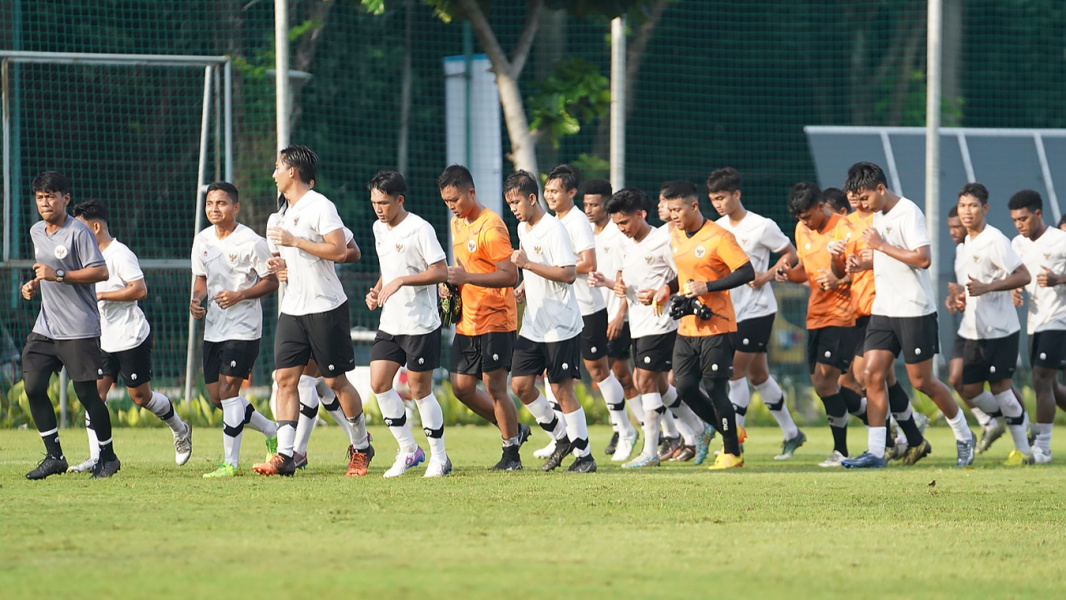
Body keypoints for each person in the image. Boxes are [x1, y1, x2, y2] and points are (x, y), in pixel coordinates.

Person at [840, 162, 975, 469]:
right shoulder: (878, 215)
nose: (861, 205)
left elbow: (923, 259)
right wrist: (865, 263)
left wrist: (881, 246)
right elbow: (888, 257)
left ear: (881, 189)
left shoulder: (908, 212)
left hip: (914, 310)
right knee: (871, 374)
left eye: (865, 198)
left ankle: (965, 436)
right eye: (857, 200)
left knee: (922, 381)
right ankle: (876, 453)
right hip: (884, 310)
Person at [254, 145, 373, 477]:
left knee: (335, 381)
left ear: (292, 171)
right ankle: (285, 455)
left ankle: (362, 447)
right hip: (293, 309)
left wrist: (296, 243)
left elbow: (344, 250)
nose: (273, 173)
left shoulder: (320, 206)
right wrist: (278, 264)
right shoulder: (278, 217)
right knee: (285, 380)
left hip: (326, 307)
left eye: (277, 166)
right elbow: (283, 262)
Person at [71, 199, 191, 472]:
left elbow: (139, 290)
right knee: (94, 396)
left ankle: (181, 429)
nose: (76, 236)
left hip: (130, 338)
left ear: (96, 227)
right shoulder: (84, 258)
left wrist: (102, 294)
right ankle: (98, 457)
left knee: (141, 397)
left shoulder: (120, 254)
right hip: (101, 339)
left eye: (81, 229)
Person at [20, 171, 120, 479]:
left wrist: (58, 275)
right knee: (33, 386)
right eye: (40, 197)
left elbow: (100, 272)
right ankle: (54, 456)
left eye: (51, 196)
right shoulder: (37, 231)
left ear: (66, 198)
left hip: (78, 327)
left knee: (88, 396)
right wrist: (34, 284)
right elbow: (46, 271)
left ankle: (108, 457)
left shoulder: (79, 232)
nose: (45, 202)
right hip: (46, 326)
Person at [607, 187, 716, 468]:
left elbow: (684, 275)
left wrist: (663, 289)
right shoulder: (624, 243)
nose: (621, 229)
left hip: (662, 321)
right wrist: (620, 286)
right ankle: (698, 428)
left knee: (643, 381)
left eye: (625, 222)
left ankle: (651, 451)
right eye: (617, 224)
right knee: (659, 385)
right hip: (639, 323)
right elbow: (623, 273)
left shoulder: (662, 241)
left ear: (641, 214)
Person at [656, 180, 754, 470]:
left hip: (718, 326)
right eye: (669, 209)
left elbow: (747, 271)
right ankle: (731, 431)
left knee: (715, 388)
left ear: (694, 206)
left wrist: (707, 287)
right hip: (688, 325)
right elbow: (686, 273)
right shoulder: (675, 234)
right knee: (684, 387)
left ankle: (732, 453)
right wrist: (667, 287)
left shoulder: (719, 237)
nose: (673, 215)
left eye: (677, 209)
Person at [708, 167, 805, 460]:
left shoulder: (761, 226)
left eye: (722, 197)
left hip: (758, 310)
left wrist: (767, 275)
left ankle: (734, 441)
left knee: (734, 373)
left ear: (737, 194)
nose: (718, 204)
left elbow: (791, 254)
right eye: (713, 199)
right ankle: (792, 433)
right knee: (759, 375)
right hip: (730, 310)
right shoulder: (716, 228)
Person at [505, 170, 597, 473]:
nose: (514, 209)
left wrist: (528, 265)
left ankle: (585, 457)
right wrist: (523, 284)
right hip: (534, 323)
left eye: (517, 202)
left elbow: (569, 274)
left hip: (560, 324)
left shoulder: (554, 229)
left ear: (532, 198)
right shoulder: (522, 229)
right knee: (520, 385)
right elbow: (535, 271)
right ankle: (560, 436)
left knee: (561, 389)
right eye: (510, 205)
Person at [439, 165, 529, 470]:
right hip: (468, 318)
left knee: (494, 387)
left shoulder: (492, 226)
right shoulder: (457, 224)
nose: (451, 206)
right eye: (447, 201)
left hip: (497, 318)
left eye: (455, 199)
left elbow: (509, 275)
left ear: (471, 192)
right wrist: (451, 283)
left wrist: (468, 276)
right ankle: (515, 431)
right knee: (461, 387)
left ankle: (511, 455)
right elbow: (465, 268)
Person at [365, 170, 451, 478]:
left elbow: (440, 271)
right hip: (391, 322)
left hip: (421, 324)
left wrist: (402, 281)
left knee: (419, 390)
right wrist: (378, 290)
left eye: (385, 203)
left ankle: (439, 457)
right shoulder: (378, 228)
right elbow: (389, 269)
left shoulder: (420, 229)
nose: (379, 208)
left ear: (400, 200)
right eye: (375, 202)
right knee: (378, 383)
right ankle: (409, 450)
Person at [541, 165, 631, 460]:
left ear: (570, 193)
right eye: (548, 190)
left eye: (555, 191)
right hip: (560, 308)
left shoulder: (577, 221)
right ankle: (561, 437)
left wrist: (554, 271)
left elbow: (588, 264)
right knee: (551, 372)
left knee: (598, 369)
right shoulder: (551, 222)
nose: (549, 196)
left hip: (587, 307)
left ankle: (625, 429)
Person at [190, 182, 280, 478]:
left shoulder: (251, 241)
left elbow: (272, 281)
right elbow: (201, 280)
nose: (214, 209)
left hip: (243, 328)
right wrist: (196, 299)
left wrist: (239, 295)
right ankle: (271, 430)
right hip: (213, 328)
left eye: (221, 203)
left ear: (236, 207)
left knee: (230, 391)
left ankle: (230, 463)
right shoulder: (202, 239)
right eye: (210, 204)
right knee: (217, 398)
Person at [776, 183, 867, 466]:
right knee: (822, 384)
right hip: (815, 315)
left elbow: (862, 272)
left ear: (821, 206)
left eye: (807, 216)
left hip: (842, 314)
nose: (804, 223)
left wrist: (838, 279)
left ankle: (841, 451)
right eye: (799, 219)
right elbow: (806, 270)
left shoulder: (845, 227)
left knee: (829, 379)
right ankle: (884, 427)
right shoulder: (802, 230)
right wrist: (788, 274)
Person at [952, 183, 1033, 465]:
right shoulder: (964, 245)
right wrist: (959, 299)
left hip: (1002, 331)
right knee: (970, 389)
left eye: (973, 205)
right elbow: (970, 285)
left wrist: (989, 288)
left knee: (1001, 388)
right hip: (975, 332)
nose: (967, 211)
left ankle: (1023, 451)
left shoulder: (995, 239)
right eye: (963, 205)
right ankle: (1006, 421)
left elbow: (1023, 275)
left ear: (985, 209)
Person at [584, 178, 642, 461]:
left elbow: (624, 277)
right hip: (596, 316)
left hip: (617, 317)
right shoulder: (586, 235)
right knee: (615, 374)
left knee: (611, 373)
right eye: (586, 204)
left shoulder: (618, 236)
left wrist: (620, 314)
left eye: (594, 204)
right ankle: (627, 427)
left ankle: (632, 428)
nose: (589, 210)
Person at [1009, 189, 1066, 464]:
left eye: (1023, 219)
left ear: (1038, 214)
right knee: (1051, 387)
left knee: (1041, 379)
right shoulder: (1017, 244)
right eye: (1015, 220)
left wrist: (1060, 279)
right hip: (1034, 323)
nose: (1019, 225)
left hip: (1059, 320)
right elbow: (1015, 276)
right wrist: (1015, 290)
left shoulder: (1060, 240)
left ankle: (1042, 448)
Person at [944, 206, 1006, 452]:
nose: (952, 232)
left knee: (1002, 384)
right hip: (967, 325)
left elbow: (1010, 276)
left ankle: (1019, 424)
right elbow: (964, 288)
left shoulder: (991, 243)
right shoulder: (960, 251)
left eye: (956, 226)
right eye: (949, 227)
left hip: (993, 326)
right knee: (956, 379)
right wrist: (955, 298)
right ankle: (989, 422)